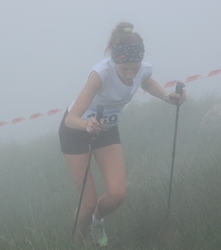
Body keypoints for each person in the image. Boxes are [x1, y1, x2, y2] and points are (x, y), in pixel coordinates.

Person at [58, 22, 186, 246]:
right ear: (115, 61)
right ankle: (77, 243)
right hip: (76, 131)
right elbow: (71, 119)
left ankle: (96, 223)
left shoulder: (142, 69)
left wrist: (166, 97)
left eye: (134, 68)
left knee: (117, 194)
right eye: (124, 69)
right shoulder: (100, 74)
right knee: (87, 203)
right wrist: (87, 125)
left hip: (106, 130)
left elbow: (146, 82)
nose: (129, 75)